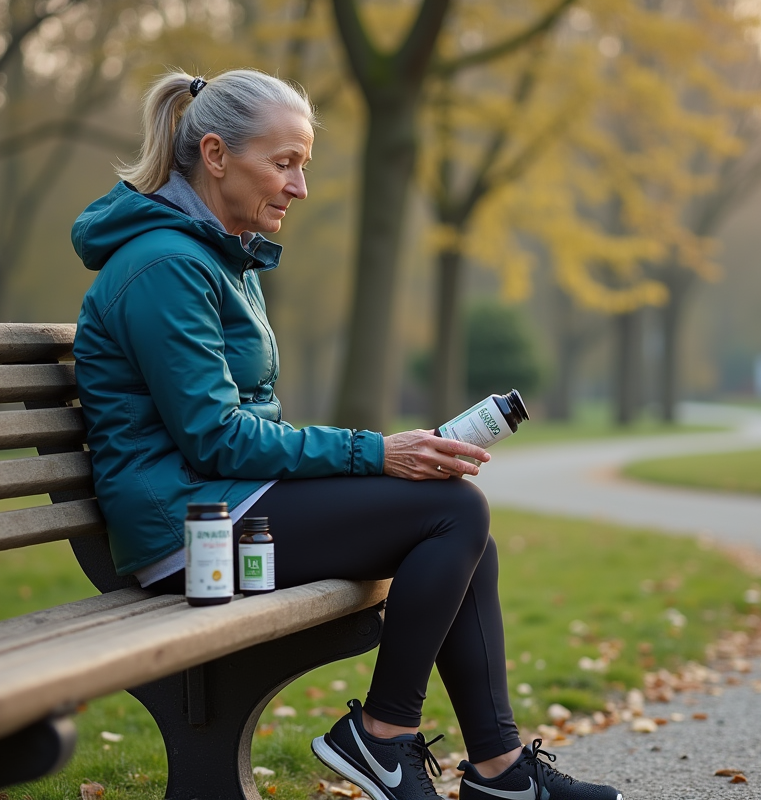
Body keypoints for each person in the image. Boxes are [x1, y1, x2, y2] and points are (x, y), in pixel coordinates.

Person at [71, 68, 621, 800]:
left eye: (303, 165)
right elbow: (216, 440)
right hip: (190, 532)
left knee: (461, 526)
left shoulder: (216, 257)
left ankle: (499, 771)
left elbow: (234, 437)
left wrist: (383, 459)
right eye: (284, 162)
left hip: (227, 506)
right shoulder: (165, 266)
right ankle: (382, 738)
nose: (299, 186)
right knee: (450, 512)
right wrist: (376, 452)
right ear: (214, 155)